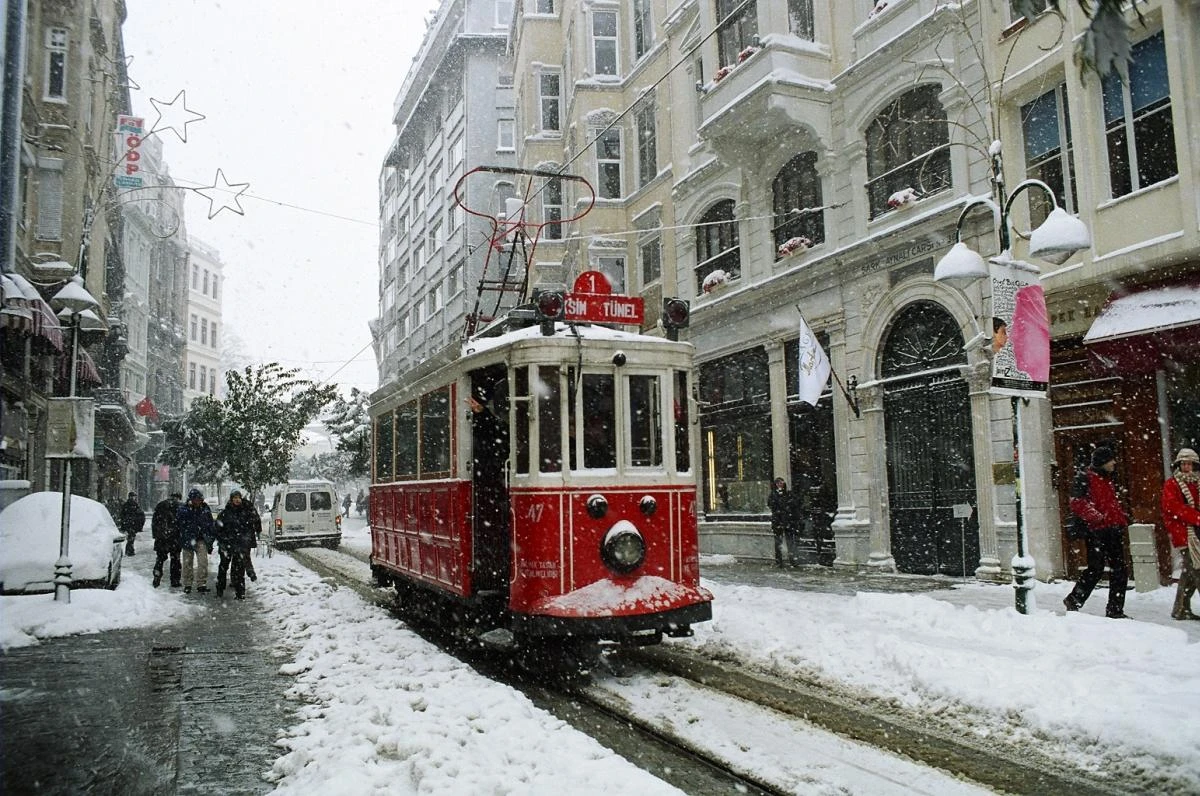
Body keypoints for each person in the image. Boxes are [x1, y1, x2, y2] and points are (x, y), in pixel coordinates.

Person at [1064, 446, 1130, 618]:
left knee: (1118, 570)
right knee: (1097, 569)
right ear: (1102, 462)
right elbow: (1077, 502)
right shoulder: (1086, 478)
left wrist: (1120, 519)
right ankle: (1075, 599)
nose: (1114, 462)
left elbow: (1108, 503)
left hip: (1111, 529)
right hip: (1097, 531)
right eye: (1111, 460)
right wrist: (1098, 517)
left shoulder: (1106, 478)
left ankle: (1114, 609)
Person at [1161, 448, 1200, 621]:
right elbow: (1173, 507)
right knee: (1196, 570)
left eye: (1189, 464)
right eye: (1183, 464)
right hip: (1184, 533)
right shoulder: (1172, 484)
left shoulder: (1197, 482)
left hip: (1196, 532)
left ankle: (1180, 608)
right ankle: (1181, 608)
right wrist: (1197, 517)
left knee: (1189, 572)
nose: (1186, 467)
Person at [214, 490, 260, 600]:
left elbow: (254, 522)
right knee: (223, 567)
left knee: (239, 570)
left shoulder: (245, 512)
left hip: (240, 545)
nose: (237, 500)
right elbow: (217, 528)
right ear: (231, 499)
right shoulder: (225, 513)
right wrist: (223, 540)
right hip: (226, 545)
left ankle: (240, 593)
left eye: (238, 498)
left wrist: (248, 539)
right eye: (235, 498)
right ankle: (220, 589)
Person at [177, 488, 216, 594]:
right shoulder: (184, 509)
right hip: (188, 539)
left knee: (203, 562)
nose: (197, 501)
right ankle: (188, 584)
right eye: (195, 499)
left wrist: (210, 538)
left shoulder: (205, 509)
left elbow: (210, 524)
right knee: (187, 563)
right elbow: (179, 523)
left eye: (199, 499)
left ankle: (201, 583)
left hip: (201, 539)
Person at [151, 492, 183, 588]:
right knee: (175, 560)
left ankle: (157, 575)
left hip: (161, 538)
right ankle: (175, 581)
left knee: (160, 559)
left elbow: (154, 521)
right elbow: (182, 523)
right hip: (175, 538)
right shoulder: (180, 507)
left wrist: (155, 535)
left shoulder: (160, 505)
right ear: (179, 498)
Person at [768, 477, 801, 568]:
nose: (780, 485)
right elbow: (771, 505)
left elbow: (794, 504)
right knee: (778, 542)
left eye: (781, 483)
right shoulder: (773, 494)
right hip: (778, 521)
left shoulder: (788, 494)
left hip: (787, 521)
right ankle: (779, 561)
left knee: (790, 541)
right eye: (778, 483)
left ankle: (792, 560)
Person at [118, 492, 145, 556]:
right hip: (130, 524)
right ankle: (130, 551)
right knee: (131, 537)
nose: (133, 498)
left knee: (131, 537)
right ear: (129, 497)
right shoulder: (127, 505)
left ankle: (129, 550)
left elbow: (140, 514)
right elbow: (122, 515)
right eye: (132, 496)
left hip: (133, 524)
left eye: (134, 497)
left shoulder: (135, 505)